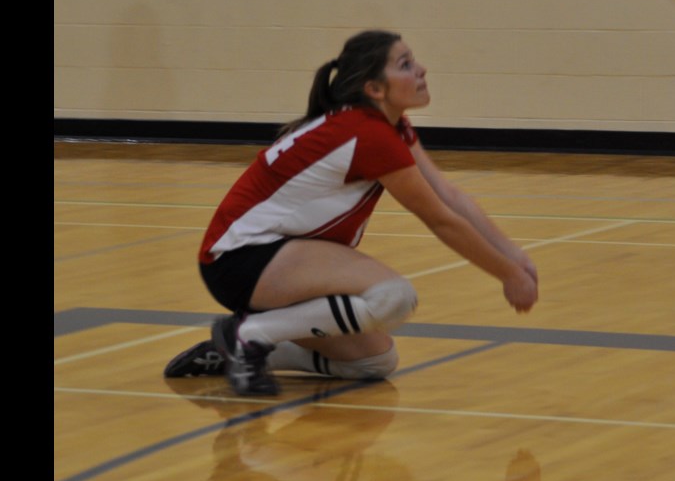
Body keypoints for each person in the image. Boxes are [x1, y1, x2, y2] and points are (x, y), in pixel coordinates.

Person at [163, 30, 539, 395]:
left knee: (374, 362)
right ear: (374, 90)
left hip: (270, 261)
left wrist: (513, 255)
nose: (421, 69)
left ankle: (248, 349)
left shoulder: (389, 128)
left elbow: (450, 196)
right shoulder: (367, 134)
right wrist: (506, 275)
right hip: (240, 260)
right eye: (406, 64)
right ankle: (248, 336)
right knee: (393, 297)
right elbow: (439, 218)